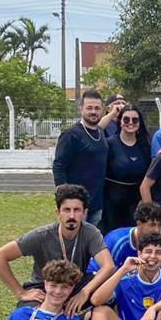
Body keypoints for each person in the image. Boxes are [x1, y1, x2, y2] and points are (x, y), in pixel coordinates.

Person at [0, 184, 113, 314]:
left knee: (108, 297)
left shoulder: (90, 233)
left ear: (84, 213)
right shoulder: (41, 235)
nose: (71, 215)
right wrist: (21, 293)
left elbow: (108, 266)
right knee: (27, 315)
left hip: (74, 285)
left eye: (77, 210)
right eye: (66, 210)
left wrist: (84, 292)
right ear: (58, 212)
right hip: (44, 287)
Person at [52, 89, 109, 226]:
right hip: (75, 204)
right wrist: (64, 198)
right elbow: (59, 166)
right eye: (89, 108)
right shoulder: (71, 135)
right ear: (81, 109)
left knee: (91, 243)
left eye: (97, 108)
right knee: (73, 242)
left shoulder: (101, 133)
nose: (93, 112)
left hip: (96, 203)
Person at [103, 105, 152, 231]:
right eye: (126, 120)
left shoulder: (146, 144)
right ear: (120, 122)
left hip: (137, 204)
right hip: (112, 204)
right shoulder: (109, 144)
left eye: (135, 120)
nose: (130, 123)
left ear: (140, 123)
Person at [94, 200, 161, 270]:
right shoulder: (118, 242)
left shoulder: (158, 243)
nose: (157, 230)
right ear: (139, 224)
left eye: (160, 225)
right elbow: (106, 273)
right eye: (152, 225)